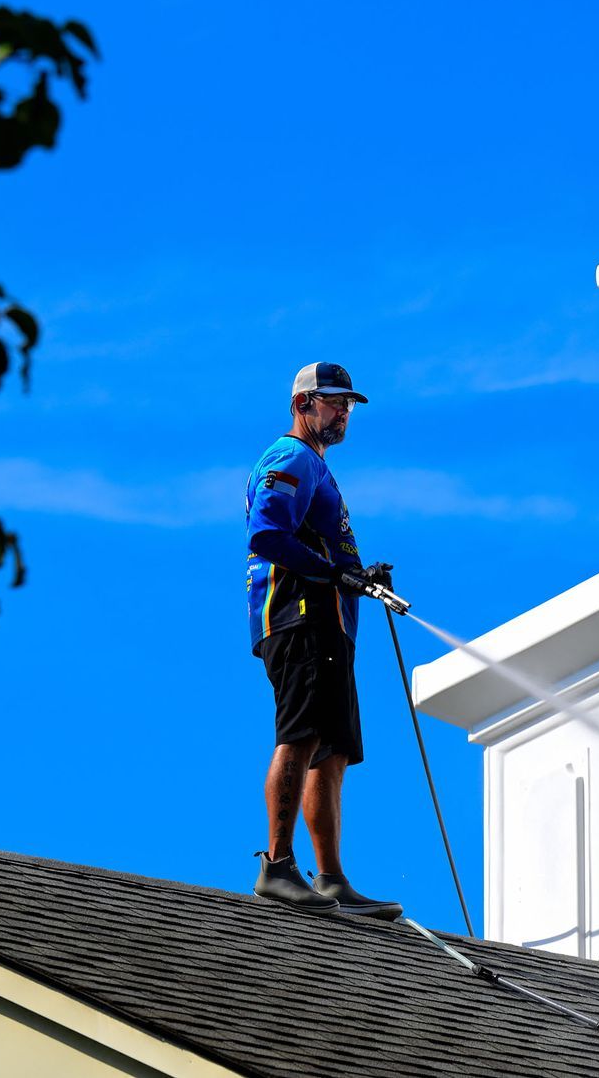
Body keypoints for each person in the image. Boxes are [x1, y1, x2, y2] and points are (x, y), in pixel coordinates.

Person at [243, 361, 401, 918]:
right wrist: (335, 574)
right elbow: (266, 533)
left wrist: (357, 574)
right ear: (302, 405)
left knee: (331, 749)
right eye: (333, 401)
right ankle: (278, 866)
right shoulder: (290, 457)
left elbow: (324, 549)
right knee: (303, 734)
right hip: (299, 617)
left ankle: (330, 880)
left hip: (329, 621)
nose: (343, 412)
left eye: (348, 404)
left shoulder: (317, 467)